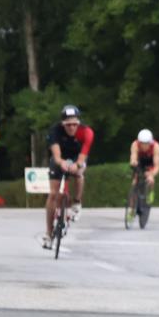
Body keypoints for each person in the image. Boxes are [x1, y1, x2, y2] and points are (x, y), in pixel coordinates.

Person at [42, 105, 94, 249]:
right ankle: (48, 232)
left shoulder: (86, 132)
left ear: (79, 123)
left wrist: (77, 165)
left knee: (79, 174)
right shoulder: (55, 131)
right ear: (62, 124)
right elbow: (57, 156)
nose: (71, 128)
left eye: (74, 124)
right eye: (68, 125)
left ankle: (76, 202)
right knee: (53, 194)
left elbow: (83, 155)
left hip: (77, 158)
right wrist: (61, 163)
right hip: (60, 159)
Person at [129, 128, 159, 200]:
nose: (144, 146)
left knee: (150, 179)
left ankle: (150, 192)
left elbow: (157, 166)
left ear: (150, 142)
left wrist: (152, 174)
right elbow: (133, 157)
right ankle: (131, 207)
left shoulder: (156, 146)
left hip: (151, 161)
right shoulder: (135, 144)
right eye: (142, 143)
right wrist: (133, 162)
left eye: (146, 143)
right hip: (140, 160)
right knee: (135, 181)